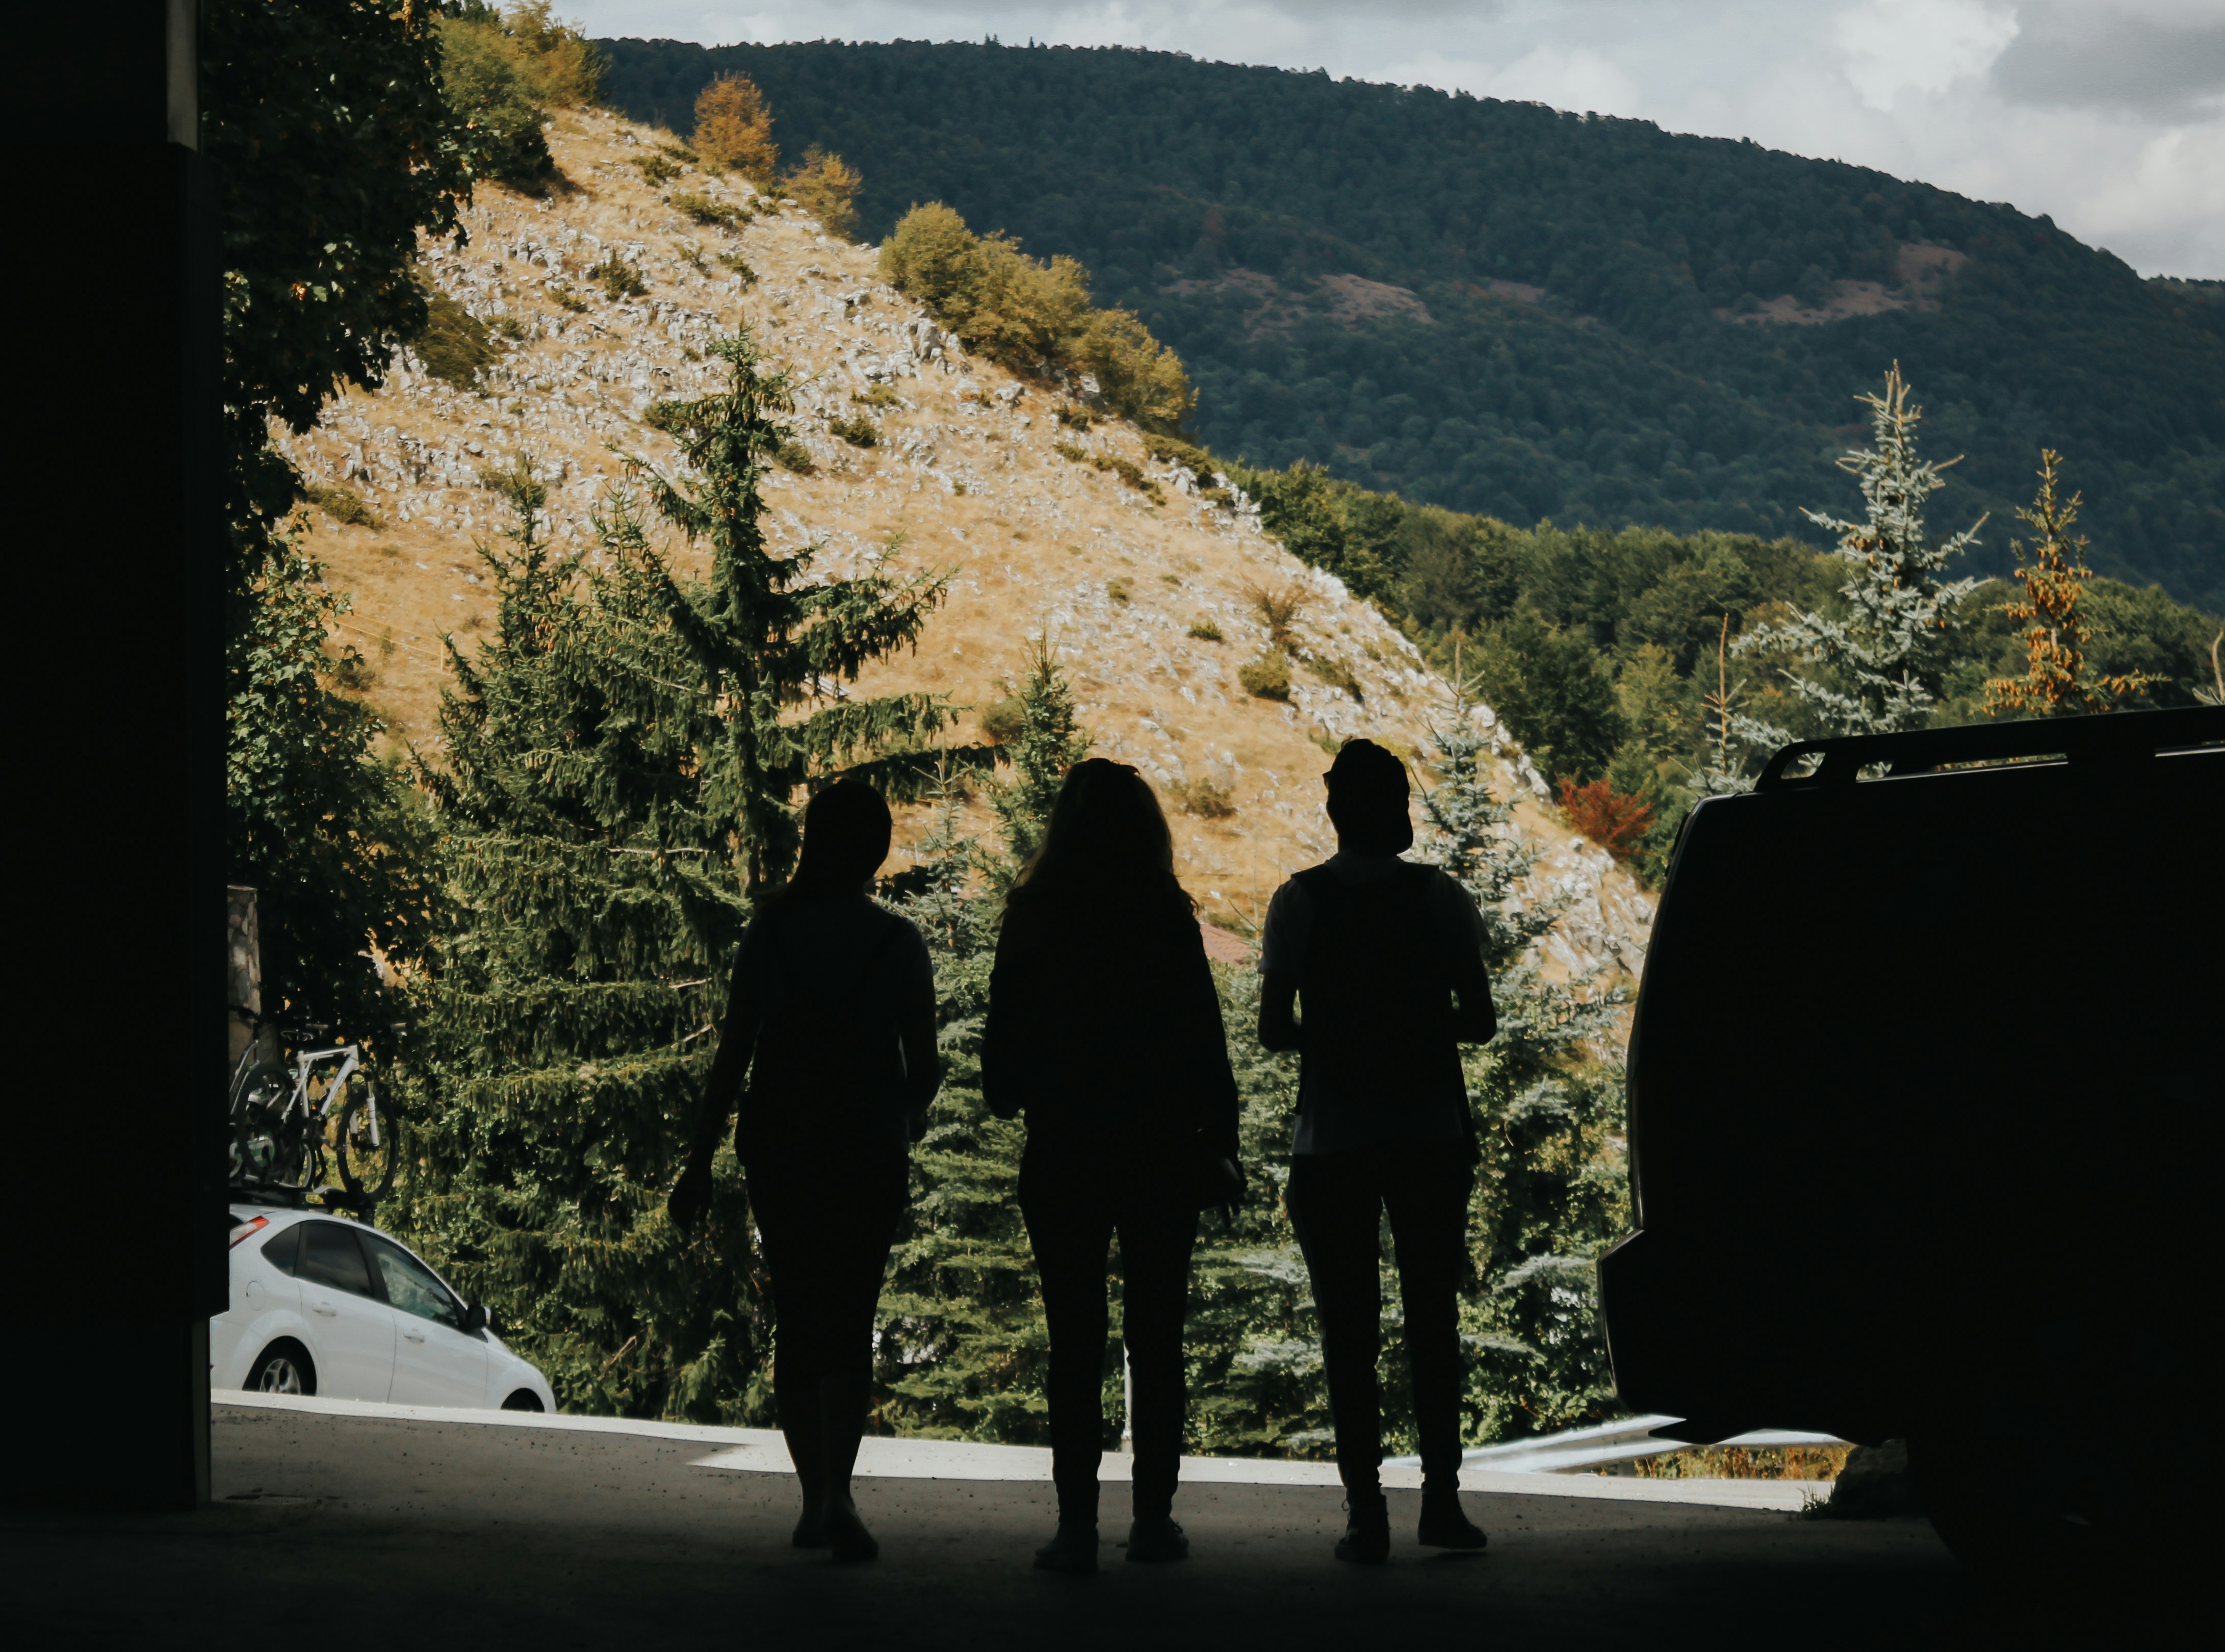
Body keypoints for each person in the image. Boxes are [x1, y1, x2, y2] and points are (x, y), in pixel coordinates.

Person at [668, 780, 939, 1563]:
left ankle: (813, 1495)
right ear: (876, 850)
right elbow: (923, 1069)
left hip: (781, 1147)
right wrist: (902, 1114)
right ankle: (839, 1495)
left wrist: (697, 1162)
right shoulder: (898, 945)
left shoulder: (773, 932)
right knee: (850, 1317)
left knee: (798, 1311)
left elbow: (733, 1057)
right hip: (867, 1152)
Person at [982, 759, 1241, 1575]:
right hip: (1160, 1151)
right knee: (1156, 1337)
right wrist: (1222, 1144)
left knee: (1074, 1341)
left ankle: (1075, 1526)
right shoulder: (1164, 915)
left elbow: (1000, 1059)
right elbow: (1206, 1040)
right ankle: (1154, 1519)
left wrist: (1029, 1089)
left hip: (1064, 1150)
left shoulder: (1033, 915)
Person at [1256, 738, 1497, 1564]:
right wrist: (1414, 1027)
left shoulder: (1300, 902)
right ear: (1395, 809)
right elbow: (1482, 1018)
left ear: (1334, 810)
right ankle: (1443, 1500)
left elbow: (1270, 1029)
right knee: (1434, 1318)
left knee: (1346, 1329)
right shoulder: (1439, 898)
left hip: (1333, 1140)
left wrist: (1340, 1033)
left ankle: (1367, 1512)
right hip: (1429, 1131)